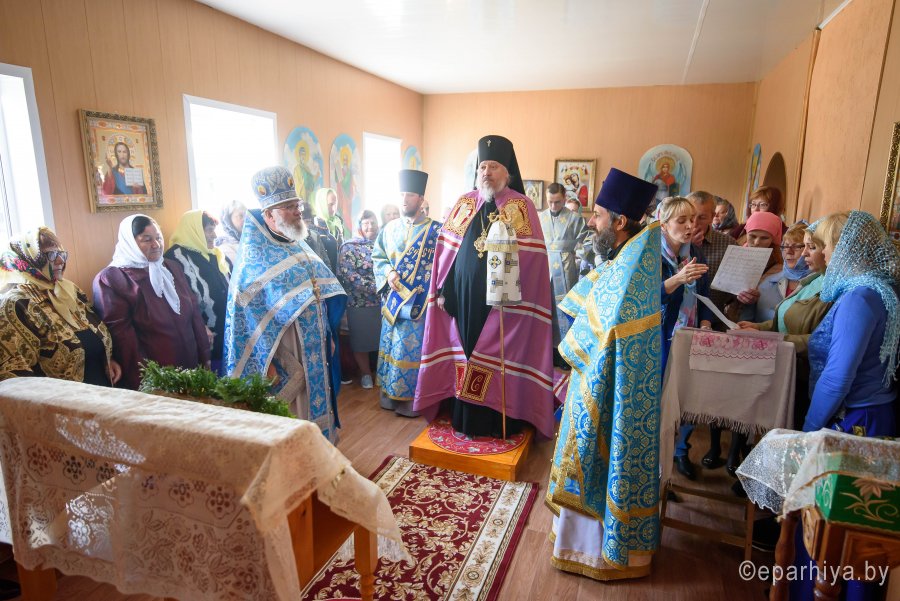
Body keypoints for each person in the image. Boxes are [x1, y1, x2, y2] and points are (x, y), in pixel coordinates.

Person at [547, 167, 661, 581]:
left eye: (597, 215)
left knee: (599, 455)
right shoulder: (630, 253)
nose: (592, 222)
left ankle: (597, 552)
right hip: (601, 374)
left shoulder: (636, 260)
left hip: (610, 383)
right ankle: (579, 543)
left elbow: (610, 321)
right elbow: (599, 291)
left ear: (620, 221)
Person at [415, 135, 555, 439]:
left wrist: (514, 294)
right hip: (464, 298)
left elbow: (533, 260)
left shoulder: (521, 206)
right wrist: (444, 291)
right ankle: (464, 417)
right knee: (464, 351)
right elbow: (447, 252)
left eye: (493, 167)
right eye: (482, 167)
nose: (486, 172)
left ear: (507, 172)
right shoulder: (465, 203)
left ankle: (495, 419)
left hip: (503, 303)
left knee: (497, 354)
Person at [224, 166, 346, 442]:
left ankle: (322, 450)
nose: (297, 212)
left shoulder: (296, 243)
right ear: (269, 215)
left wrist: (327, 333)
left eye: (297, 205)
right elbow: (248, 319)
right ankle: (300, 459)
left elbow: (317, 292)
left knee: (318, 399)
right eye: (288, 207)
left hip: (314, 344)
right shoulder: (253, 258)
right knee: (297, 409)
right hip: (286, 350)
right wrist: (266, 360)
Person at [803, 211, 898, 436]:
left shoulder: (859, 297)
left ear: (844, 248)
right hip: (874, 411)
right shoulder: (880, 287)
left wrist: (808, 429)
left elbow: (836, 379)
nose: (822, 252)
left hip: (856, 418)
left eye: (825, 245)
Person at [93, 215, 210, 390]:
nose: (156, 245)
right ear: (130, 242)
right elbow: (124, 341)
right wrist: (148, 383)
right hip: (156, 378)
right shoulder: (112, 279)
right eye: (147, 240)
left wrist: (204, 359)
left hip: (190, 367)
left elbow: (194, 315)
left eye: (158, 238)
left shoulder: (171, 268)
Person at [737, 221, 832, 429]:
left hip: (804, 371)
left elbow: (823, 339)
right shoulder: (811, 280)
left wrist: (767, 337)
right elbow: (784, 318)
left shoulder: (828, 285)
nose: (793, 252)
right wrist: (758, 327)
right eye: (785, 246)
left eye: (806, 247)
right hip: (783, 363)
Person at [0, 227, 121, 386]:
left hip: (101, 389)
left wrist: (106, 359)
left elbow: (93, 333)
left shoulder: (68, 290)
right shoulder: (16, 304)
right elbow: (15, 374)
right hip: (59, 399)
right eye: (50, 255)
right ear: (25, 261)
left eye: (61, 254)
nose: (60, 261)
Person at [373, 169, 441, 417]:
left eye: (410, 194)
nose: (404, 199)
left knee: (409, 350)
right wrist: (389, 272)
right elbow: (378, 256)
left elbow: (444, 266)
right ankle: (388, 397)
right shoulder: (389, 228)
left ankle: (410, 402)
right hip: (393, 301)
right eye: (402, 194)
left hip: (418, 305)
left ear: (421, 199)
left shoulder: (436, 231)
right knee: (390, 347)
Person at [658, 196, 713, 480]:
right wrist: (679, 278)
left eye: (693, 219)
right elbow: (648, 297)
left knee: (687, 398)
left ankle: (679, 449)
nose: (691, 226)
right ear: (663, 225)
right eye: (682, 221)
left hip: (691, 333)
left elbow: (704, 292)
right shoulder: (651, 254)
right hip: (661, 337)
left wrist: (705, 323)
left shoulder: (696, 252)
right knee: (662, 398)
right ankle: (656, 463)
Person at [165, 210, 231, 374]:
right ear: (194, 231)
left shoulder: (216, 254)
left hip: (227, 331)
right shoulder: (174, 258)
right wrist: (199, 325)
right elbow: (176, 299)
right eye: (209, 230)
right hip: (201, 335)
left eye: (214, 230)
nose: (214, 235)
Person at [539, 182, 590, 358]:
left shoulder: (575, 219)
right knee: (544, 307)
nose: (553, 206)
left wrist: (577, 257)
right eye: (550, 202)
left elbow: (587, 242)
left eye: (558, 202)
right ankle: (545, 351)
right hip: (544, 270)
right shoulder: (540, 218)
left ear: (565, 198)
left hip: (566, 270)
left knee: (564, 309)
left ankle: (563, 353)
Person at [337, 210, 381, 389]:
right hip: (359, 303)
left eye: (373, 222)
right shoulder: (349, 246)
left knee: (382, 340)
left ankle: (381, 373)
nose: (370, 227)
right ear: (359, 226)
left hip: (384, 302)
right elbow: (349, 275)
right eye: (366, 223)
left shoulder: (383, 242)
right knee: (361, 341)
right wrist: (379, 287)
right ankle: (365, 374)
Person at [727, 211, 787, 323]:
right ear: (746, 234)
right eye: (752, 236)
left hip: (760, 322)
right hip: (730, 317)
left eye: (764, 238)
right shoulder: (735, 254)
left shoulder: (780, 266)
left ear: (773, 239)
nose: (757, 242)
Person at [687, 191, 738, 315]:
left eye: (702, 217)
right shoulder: (671, 241)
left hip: (714, 316)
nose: (694, 223)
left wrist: (745, 295)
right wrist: (687, 246)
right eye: (691, 216)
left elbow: (737, 288)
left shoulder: (728, 244)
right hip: (678, 317)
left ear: (712, 217)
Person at [300, 198, 337, 269]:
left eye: (308, 222)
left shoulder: (315, 235)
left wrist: (328, 273)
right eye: (305, 222)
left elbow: (326, 261)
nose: (307, 226)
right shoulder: (294, 240)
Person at [215, 199, 246, 264]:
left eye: (246, 215)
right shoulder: (224, 246)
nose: (245, 219)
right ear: (228, 220)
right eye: (240, 216)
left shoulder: (249, 239)